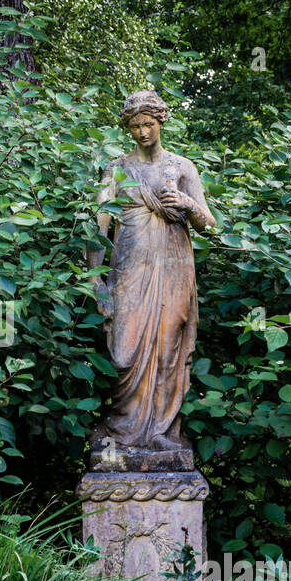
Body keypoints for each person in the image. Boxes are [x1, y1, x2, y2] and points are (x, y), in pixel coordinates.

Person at [87, 89, 216, 452]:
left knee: (168, 348)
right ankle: (125, 427)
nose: (143, 132)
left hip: (174, 268)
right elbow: (98, 230)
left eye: (148, 124)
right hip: (129, 270)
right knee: (123, 352)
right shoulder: (117, 169)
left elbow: (210, 224)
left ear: (161, 121)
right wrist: (96, 280)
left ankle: (161, 431)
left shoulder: (182, 167)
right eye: (135, 126)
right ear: (127, 127)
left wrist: (188, 204)